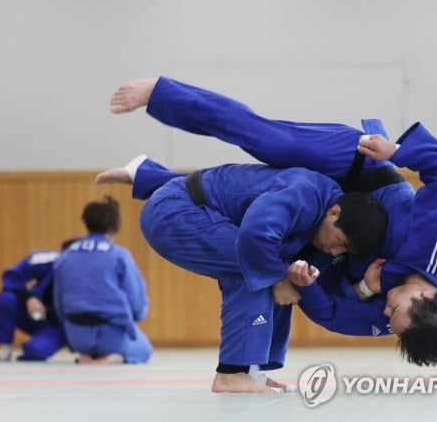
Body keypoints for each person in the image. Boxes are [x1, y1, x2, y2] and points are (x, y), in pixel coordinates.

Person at [104, 76, 437, 366]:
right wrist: (398, 152)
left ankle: (147, 177)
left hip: (326, 235)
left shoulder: (399, 316)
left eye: (392, 322)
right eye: (395, 310)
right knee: (263, 137)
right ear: (424, 295)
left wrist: (362, 291)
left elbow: (331, 313)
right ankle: (161, 93)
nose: (386, 313)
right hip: (359, 169)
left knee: (252, 203)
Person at [96, 158, 388, 392]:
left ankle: (251, 371)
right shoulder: (308, 193)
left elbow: (315, 294)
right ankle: (231, 373)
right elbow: (255, 234)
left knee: (275, 272)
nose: (336, 252)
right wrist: (278, 278)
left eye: (344, 251)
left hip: (192, 208)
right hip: (174, 211)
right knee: (257, 268)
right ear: (334, 212)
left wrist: (362, 288)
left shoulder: (324, 230)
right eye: (340, 242)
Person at [53, 195, 153, 365]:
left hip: (77, 336)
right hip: (112, 335)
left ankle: (86, 356)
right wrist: (136, 316)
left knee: (85, 338)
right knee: (144, 349)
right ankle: (114, 356)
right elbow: (136, 297)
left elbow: (58, 301)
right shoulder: (119, 255)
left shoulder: (66, 256)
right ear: (115, 226)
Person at [0, 238, 78, 362]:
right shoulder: (47, 261)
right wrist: (29, 298)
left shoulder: (95, 273)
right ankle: (5, 348)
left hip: (62, 326)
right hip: (36, 314)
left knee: (35, 351)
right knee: (6, 298)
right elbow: (11, 277)